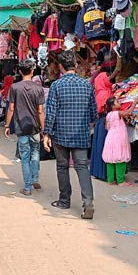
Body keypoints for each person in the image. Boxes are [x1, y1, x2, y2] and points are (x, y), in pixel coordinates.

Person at [43, 50, 97, 219]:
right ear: (75, 65)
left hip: (61, 134)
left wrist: (47, 134)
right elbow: (94, 114)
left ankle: (64, 200)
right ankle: (88, 202)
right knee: (82, 167)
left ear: (60, 67)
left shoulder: (56, 86)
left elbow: (50, 113)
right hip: (81, 134)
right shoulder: (87, 85)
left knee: (62, 166)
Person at [4, 59, 45, 196]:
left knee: (25, 156)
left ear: (20, 71)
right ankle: (35, 178)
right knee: (35, 153)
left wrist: (7, 125)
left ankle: (27, 187)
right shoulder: (38, 88)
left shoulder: (15, 88)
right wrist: (43, 128)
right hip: (35, 127)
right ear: (32, 71)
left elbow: (11, 108)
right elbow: (40, 111)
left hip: (21, 127)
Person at [102, 96, 138, 186]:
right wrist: (135, 102)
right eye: (117, 101)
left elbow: (107, 127)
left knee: (111, 159)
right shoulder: (116, 113)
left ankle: (110, 180)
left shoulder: (108, 115)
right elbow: (129, 112)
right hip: (118, 137)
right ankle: (121, 181)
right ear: (113, 106)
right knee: (120, 158)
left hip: (110, 137)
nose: (119, 102)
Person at [90, 72, 113, 181]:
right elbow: (105, 109)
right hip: (105, 121)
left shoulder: (98, 93)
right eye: (106, 77)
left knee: (98, 146)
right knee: (105, 146)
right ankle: (104, 173)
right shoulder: (106, 93)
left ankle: (97, 171)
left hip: (99, 122)